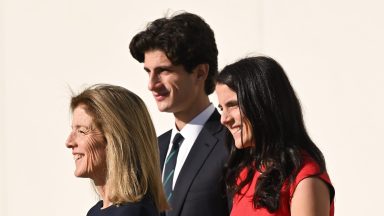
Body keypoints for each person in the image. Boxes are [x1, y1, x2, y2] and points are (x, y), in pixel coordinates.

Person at [129, 12, 230, 216]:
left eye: (164, 71)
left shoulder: (233, 143)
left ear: (200, 72)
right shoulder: (152, 150)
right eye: (148, 72)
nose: (151, 84)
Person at [215, 56, 335, 216]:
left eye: (233, 105)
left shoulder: (304, 177)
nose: (224, 119)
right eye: (221, 108)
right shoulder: (246, 174)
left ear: (262, 103)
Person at [65, 84, 169, 216]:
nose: (69, 142)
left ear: (115, 140)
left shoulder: (135, 212)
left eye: (81, 131)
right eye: (72, 130)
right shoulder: (95, 212)